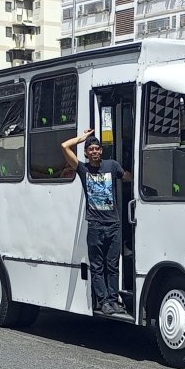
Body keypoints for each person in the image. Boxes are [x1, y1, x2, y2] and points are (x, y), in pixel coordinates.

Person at [61, 129, 132, 316]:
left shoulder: (112, 166)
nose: (94, 152)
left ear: (102, 151)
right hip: (95, 225)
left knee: (113, 264)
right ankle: (103, 302)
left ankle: (113, 299)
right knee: (98, 266)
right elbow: (64, 147)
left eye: (97, 148)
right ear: (86, 153)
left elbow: (128, 177)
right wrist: (82, 138)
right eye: (90, 149)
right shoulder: (83, 170)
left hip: (113, 224)